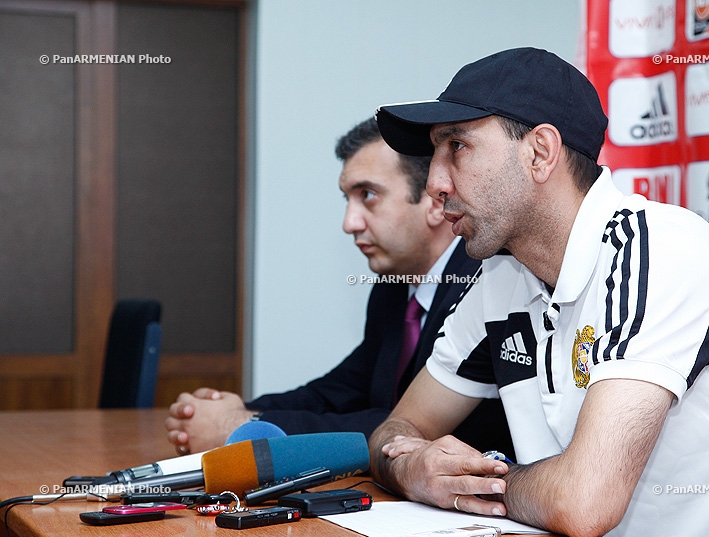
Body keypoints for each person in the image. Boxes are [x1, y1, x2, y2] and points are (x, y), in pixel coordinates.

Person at [368, 47, 709, 537]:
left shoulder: (663, 252)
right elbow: (401, 425)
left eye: (456, 146)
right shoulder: (501, 276)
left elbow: (585, 502)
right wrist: (412, 468)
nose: (435, 183)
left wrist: (466, 485)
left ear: (540, 152)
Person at [164, 118, 513, 458]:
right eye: (347, 199)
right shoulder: (392, 288)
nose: (349, 223)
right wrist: (234, 410)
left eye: (368, 195)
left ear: (436, 202)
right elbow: (345, 388)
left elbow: (422, 428)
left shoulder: (485, 279)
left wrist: (246, 425)